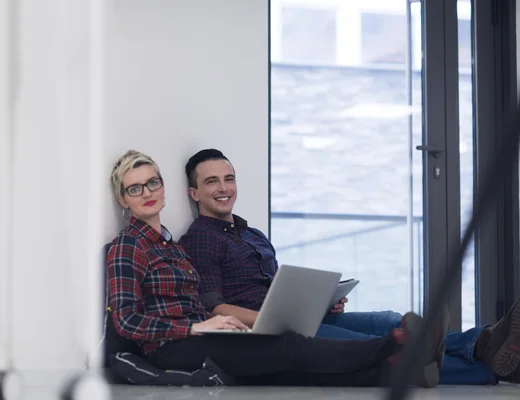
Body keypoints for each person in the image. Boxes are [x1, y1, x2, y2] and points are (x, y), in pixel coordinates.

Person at [178, 148, 520, 386]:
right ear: (194, 193)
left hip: (299, 318)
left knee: (388, 319)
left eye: (229, 178)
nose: (224, 188)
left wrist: (321, 302)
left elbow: (276, 287)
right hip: (272, 331)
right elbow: (214, 306)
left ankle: (483, 342)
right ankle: (488, 367)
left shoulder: (251, 233)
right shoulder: (201, 238)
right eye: (212, 182)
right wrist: (275, 321)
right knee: (381, 344)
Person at [106, 149, 446, 388]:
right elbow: (126, 321)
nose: (147, 193)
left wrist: (223, 324)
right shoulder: (128, 245)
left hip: (202, 335)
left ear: (163, 187)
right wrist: (197, 327)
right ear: (124, 199)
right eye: (134, 188)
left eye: (153, 183)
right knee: (289, 347)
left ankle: (396, 374)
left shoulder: (171, 246)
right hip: (173, 348)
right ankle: (394, 346)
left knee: (288, 369)